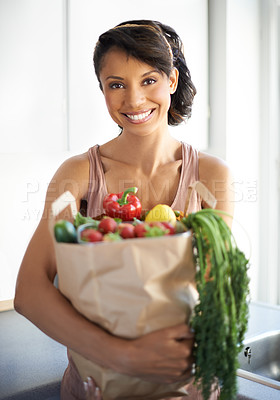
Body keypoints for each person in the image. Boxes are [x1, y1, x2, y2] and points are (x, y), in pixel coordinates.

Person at [14, 20, 234, 400]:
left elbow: (219, 290)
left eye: (149, 80)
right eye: (116, 84)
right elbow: (29, 292)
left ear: (172, 81)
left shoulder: (211, 176)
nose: (133, 101)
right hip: (99, 384)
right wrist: (124, 356)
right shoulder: (79, 174)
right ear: (102, 89)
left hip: (187, 384)